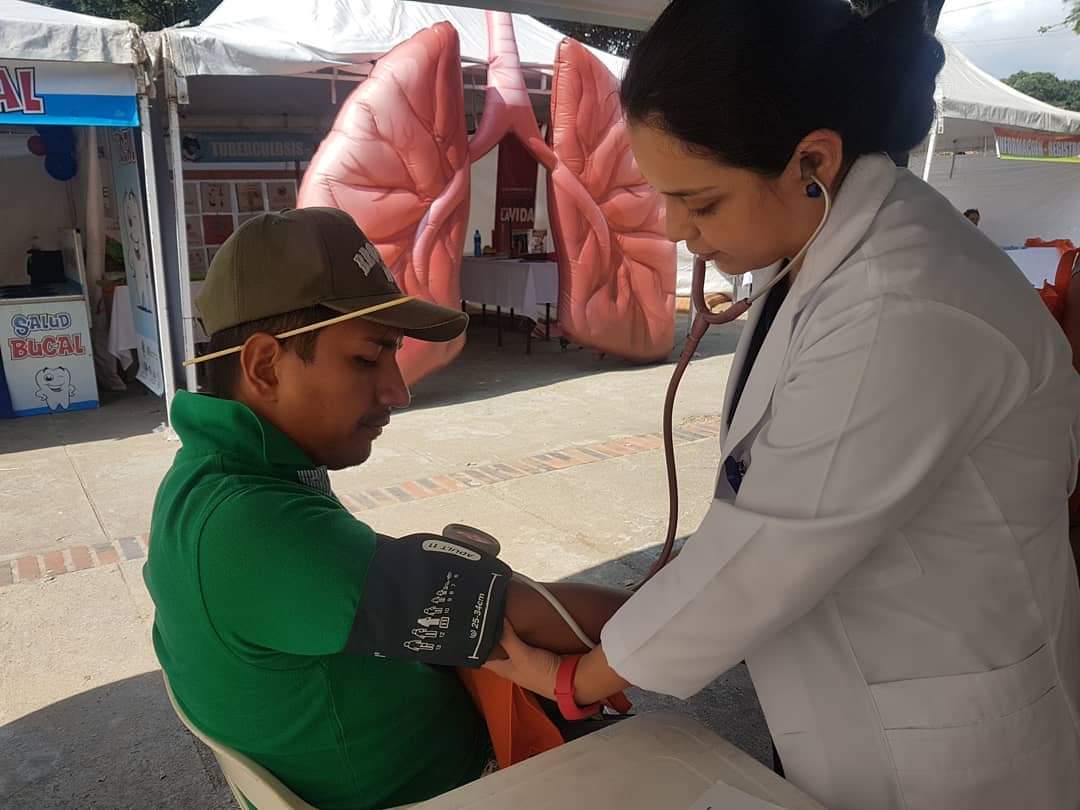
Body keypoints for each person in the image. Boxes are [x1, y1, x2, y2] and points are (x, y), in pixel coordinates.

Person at [485, 3, 1080, 810]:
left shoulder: (903, 302)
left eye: (700, 203)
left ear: (813, 159)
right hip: (848, 686)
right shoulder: (820, 253)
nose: (676, 231)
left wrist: (574, 677)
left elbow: (768, 548)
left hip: (943, 737)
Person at [143, 208, 628, 810]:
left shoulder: (215, 474)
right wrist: (712, 605)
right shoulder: (248, 526)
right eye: (367, 359)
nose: (398, 391)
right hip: (458, 785)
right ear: (265, 365)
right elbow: (537, 617)